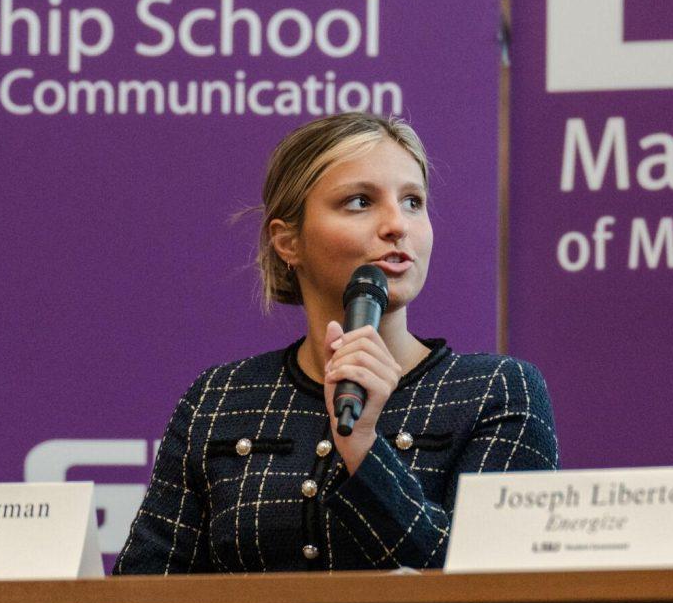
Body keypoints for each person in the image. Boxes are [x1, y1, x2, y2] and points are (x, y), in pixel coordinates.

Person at [115, 112, 558, 573]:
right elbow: (143, 590)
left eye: (412, 201)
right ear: (288, 242)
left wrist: (364, 448)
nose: (396, 225)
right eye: (360, 201)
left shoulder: (497, 390)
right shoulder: (221, 398)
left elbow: (498, 585)